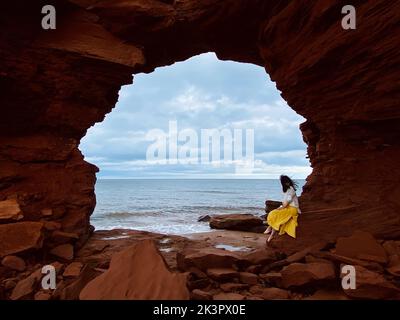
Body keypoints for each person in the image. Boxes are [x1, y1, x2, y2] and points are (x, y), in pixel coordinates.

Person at [264, 175, 301, 243]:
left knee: (274, 214)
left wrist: (280, 208)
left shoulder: (291, 190)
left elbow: (287, 203)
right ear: (283, 183)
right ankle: (270, 230)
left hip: (293, 209)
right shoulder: (287, 190)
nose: (287, 183)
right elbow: (285, 203)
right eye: (285, 182)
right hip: (288, 208)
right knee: (274, 214)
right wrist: (280, 208)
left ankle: (270, 230)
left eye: (288, 181)